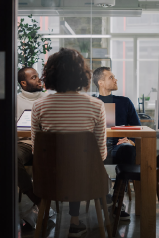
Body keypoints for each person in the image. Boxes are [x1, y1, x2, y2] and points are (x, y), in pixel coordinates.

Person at [31, 48, 107, 237]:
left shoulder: (39, 106)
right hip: (87, 180)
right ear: (83, 75)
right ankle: (75, 220)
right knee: (79, 162)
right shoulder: (96, 105)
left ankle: (62, 218)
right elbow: (101, 155)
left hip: (51, 180)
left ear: (50, 75)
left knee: (66, 162)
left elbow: (36, 151)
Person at [92, 67, 141, 221]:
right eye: (111, 77)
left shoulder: (124, 102)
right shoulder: (92, 103)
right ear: (100, 82)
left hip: (119, 146)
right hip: (96, 147)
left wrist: (130, 140)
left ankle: (117, 202)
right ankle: (107, 198)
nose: (116, 79)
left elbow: (137, 127)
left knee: (128, 150)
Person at [16, 67, 55, 228]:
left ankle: (41, 206)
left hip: (44, 144)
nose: (39, 80)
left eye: (38, 76)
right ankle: (39, 202)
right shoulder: (15, 100)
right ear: (23, 83)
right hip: (24, 143)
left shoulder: (48, 99)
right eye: (34, 78)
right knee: (11, 157)